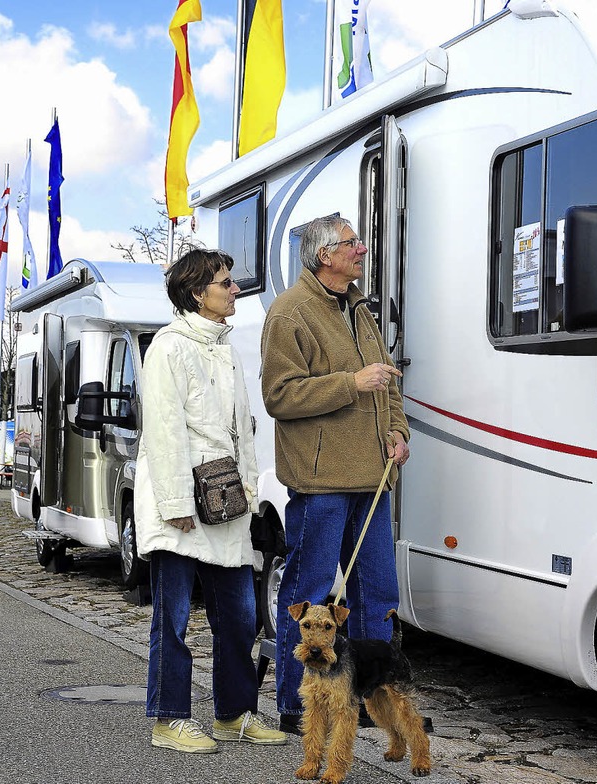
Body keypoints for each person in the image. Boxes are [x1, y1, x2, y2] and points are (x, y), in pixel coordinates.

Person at [260, 215, 411, 734]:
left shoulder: (358, 310)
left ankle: (371, 706)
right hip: (321, 484)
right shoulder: (289, 313)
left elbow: (386, 383)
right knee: (310, 595)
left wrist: (397, 431)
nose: (363, 249)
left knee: (378, 595)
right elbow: (279, 396)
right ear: (325, 255)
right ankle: (295, 706)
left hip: (372, 480)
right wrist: (350, 382)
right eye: (352, 243)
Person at [135, 248, 286, 753]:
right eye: (226, 283)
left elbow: (242, 432)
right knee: (173, 620)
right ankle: (169, 719)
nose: (235, 289)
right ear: (198, 293)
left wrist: (248, 491)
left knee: (239, 617)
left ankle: (235, 714)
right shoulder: (169, 347)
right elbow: (163, 430)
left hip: (224, 506)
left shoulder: (225, 348)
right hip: (180, 507)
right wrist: (175, 502)